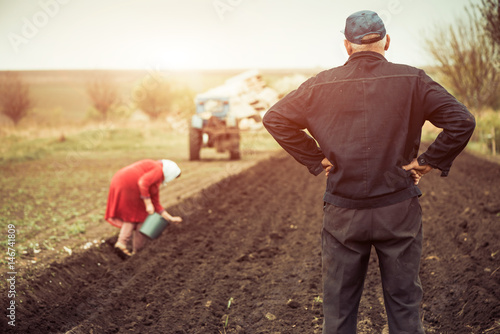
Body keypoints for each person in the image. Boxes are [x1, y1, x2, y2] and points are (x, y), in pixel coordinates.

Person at [263, 10, 475, 334]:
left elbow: (274, 117)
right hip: (398, 211)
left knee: (337, 313)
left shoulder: (319, 84)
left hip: (343, 214)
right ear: (387, 42)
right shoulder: (413, 79)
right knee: (405, 309)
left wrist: (315, 158)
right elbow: (463, 121)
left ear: (347, 46)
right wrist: (427, 162)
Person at [105, 159, 183, 256]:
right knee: (139, 217)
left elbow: (156, 204)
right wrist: (148, 203)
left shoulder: (154, 177)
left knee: (134, 216)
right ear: (169, 173)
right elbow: (143, 182)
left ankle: (125, 245)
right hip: (129, 183)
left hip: (119, 180)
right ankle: (135, 251)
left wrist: (170, 218)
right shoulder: (158, 169)